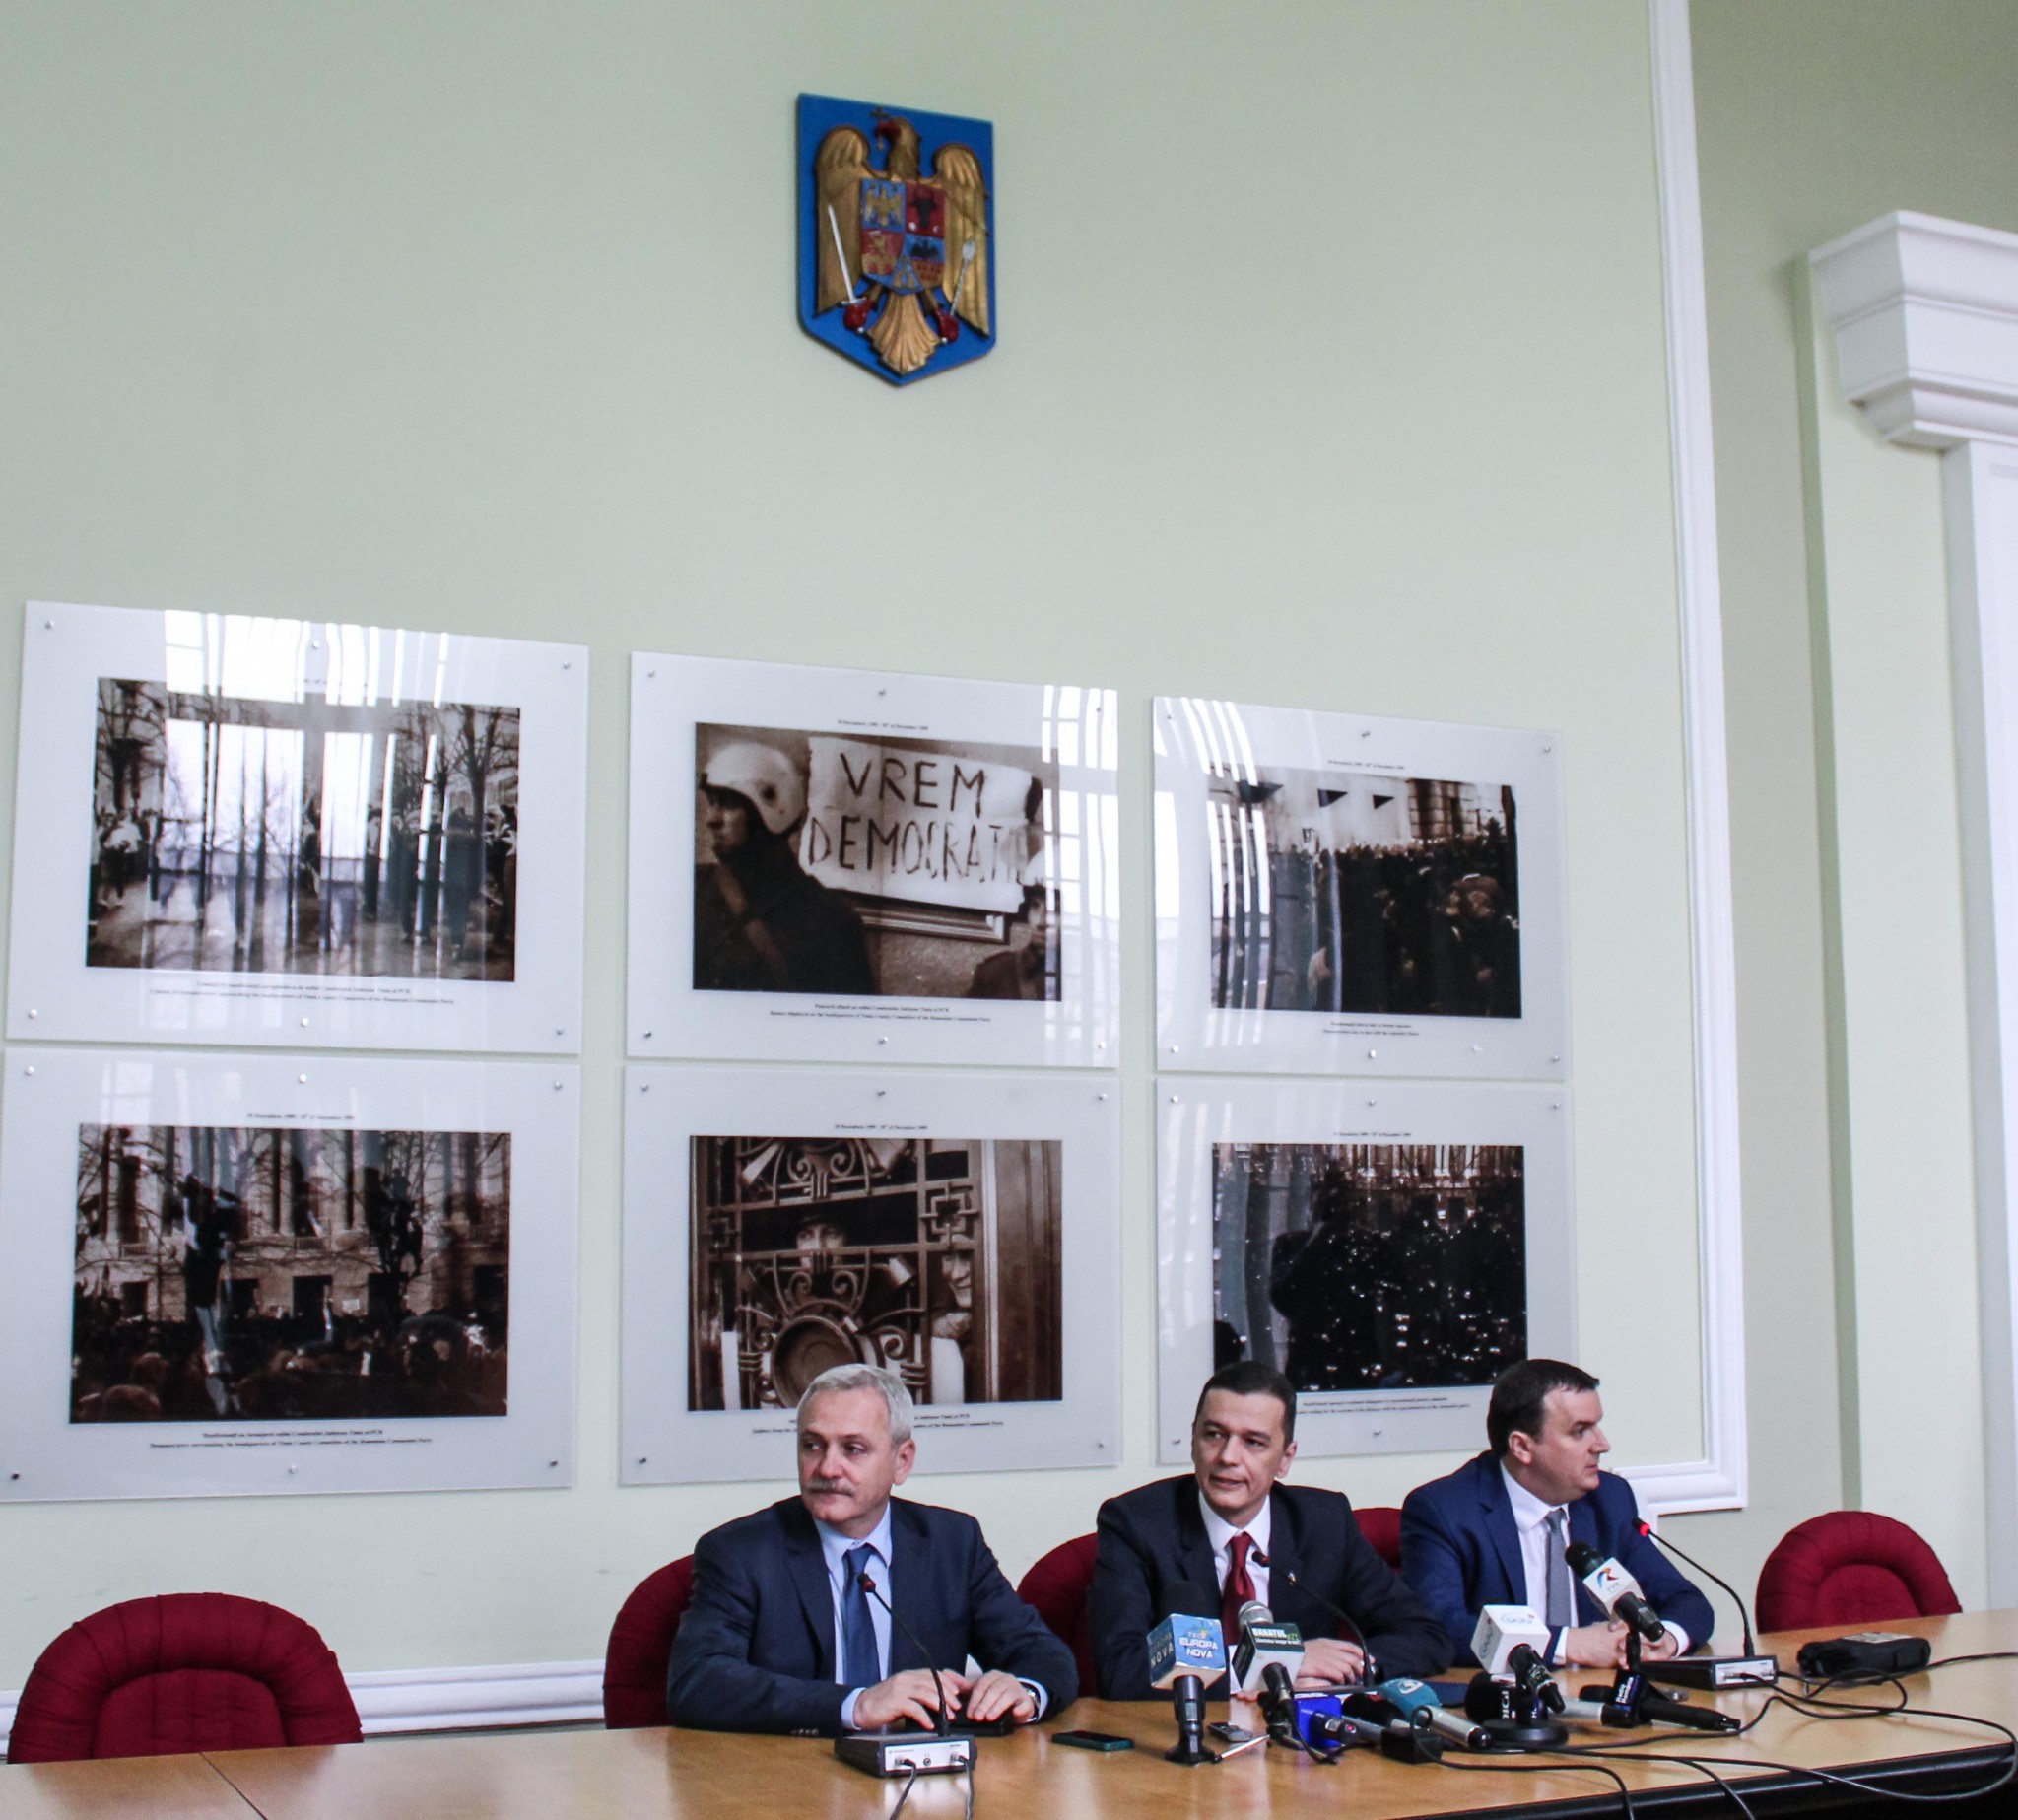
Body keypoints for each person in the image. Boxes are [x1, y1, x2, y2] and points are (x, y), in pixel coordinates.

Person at [665, 1363, 1076, 1735]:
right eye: (812, 1445)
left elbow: (1043, 1654)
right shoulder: (740, 1552)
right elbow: (698, 1682)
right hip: (785, 1777)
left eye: (853, 1449)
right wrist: (856, 1705)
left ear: (902, 1461)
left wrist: (1024, 1692)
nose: (828, 1468)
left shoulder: (952, 1542)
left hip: (918, 1777)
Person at [1087, 1361, 1451, 1699]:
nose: (1228, 1457)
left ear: (1285, 1458)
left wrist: (1342, 1670)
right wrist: (1281, 1663)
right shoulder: (1135, 1523)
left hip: (1296, 1733)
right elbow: (1120, 1668)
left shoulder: (1324, 1522)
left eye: (1254, 1442)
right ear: (1193, 1440)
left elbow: (1425, 1636)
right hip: (1180, 1734)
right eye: (1214, 1435)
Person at [1399, 1358, 1715, 1668]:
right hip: (1509, 1694)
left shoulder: (1609, 1499)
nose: (1602, 1444)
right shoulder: (1445, 1510)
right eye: (1580, 1431)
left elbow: (1687, 1601)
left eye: (1597, 1426)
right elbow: (1438, 1627)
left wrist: (1665, 1639)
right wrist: (1567, 1645)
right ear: (1522, 1447)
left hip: (1598, 1690)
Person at [692, 741, 874, 996]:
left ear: (770, 811)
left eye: (729, 804)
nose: (712, 819)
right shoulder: (693, 890)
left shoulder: (832, 923)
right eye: (712, 802)